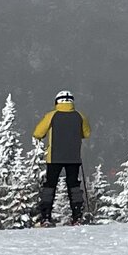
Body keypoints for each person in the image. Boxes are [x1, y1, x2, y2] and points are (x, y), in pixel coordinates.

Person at [33, 90, 91, 225]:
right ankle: (77, 216)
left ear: (57, 102)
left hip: (54, 157)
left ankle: (46, 217)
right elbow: (86, 134)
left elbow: (38, 133)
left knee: (50, 185)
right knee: (74, 186)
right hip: (74, 157)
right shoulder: (80, 116)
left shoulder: (51, 116)